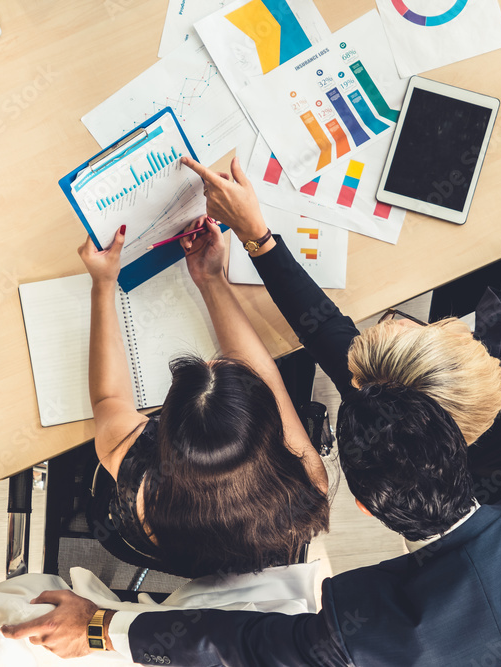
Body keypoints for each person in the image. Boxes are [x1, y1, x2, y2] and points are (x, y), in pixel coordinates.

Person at [0, 384, 501, 664]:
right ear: (459, 443)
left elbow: (238, 643)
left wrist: (104, 630)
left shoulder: (366, 617)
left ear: (364, 507)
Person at [177, 73, 501, 505]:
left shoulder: (399, 419)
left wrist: (255, 241)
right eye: (402, 329)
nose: (389, 317)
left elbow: (327, 334)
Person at [79, 217, 329, 578]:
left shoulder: (141, 484)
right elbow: (266, 376)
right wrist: (212, 279)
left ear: (161, 433)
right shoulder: (307, 482)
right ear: (269, 424)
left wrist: (103, 284)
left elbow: (107, 398)